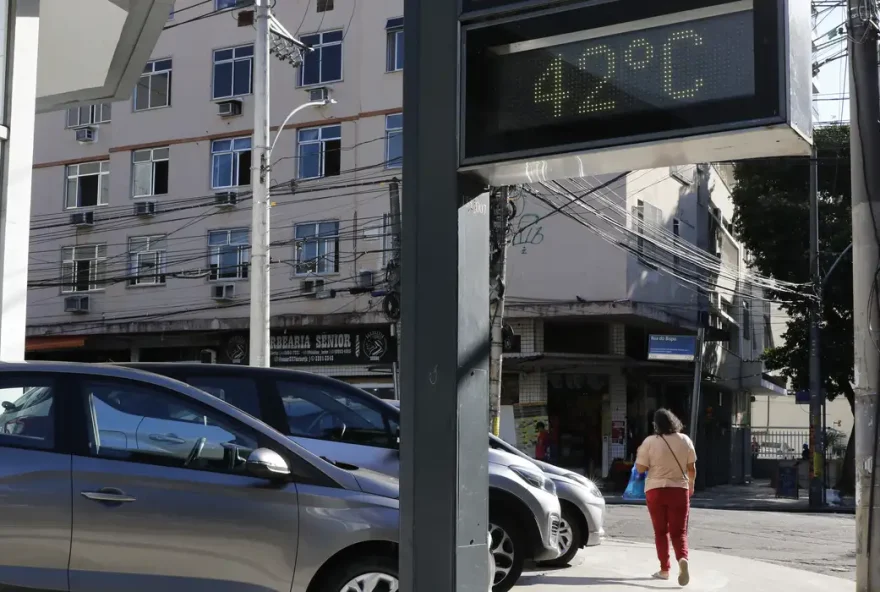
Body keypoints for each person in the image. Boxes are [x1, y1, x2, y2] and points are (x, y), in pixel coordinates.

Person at [635, 408, 697, 586]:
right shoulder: (685, 440)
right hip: (679, 490)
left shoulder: (649, 442)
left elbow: (640, 469)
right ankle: (682, 559)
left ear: (656, 425)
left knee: (661, 532)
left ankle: (664, 569)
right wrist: (690, 485)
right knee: (679, 532)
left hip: (655, 490)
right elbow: (691, 468)